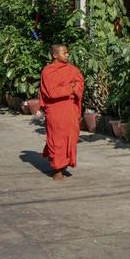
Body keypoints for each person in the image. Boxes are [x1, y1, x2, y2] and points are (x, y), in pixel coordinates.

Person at [39, 43, 84, 182]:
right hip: (55, 110)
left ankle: (63, 164)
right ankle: (57, 169)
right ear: (54, 55)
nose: (67, 55)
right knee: (57, 138)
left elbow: (80, 83)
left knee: (70, 136)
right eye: (64, 53)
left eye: (67, 53)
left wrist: (71, 88)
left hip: (70, 109)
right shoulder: (48, 71)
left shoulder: (72, 69)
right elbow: (52, 92)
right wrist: (70, 88)